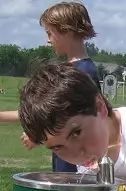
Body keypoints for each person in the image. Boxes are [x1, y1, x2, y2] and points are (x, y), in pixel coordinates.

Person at [0, 1, 99, 173]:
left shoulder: (81, 73)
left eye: (50, 33)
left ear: (67, 31)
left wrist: (39, 135)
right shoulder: (74, 70)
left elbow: (72, 120)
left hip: (78, 169)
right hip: (68, 163)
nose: (48, 40)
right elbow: (49, 112)